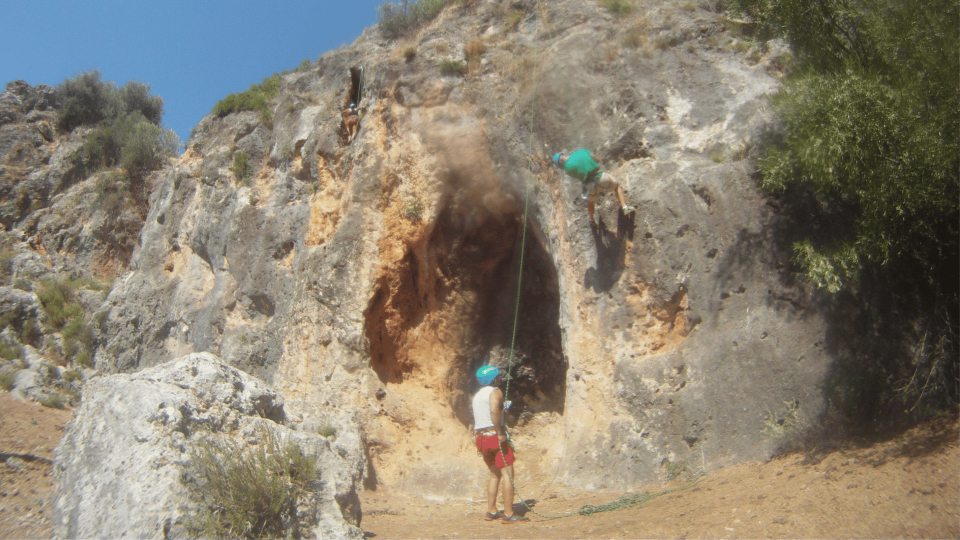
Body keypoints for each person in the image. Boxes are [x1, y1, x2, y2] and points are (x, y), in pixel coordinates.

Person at [472, 365, 529, 523]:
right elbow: (493, 411)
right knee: (507, 475)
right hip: (493, 435)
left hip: (481, 438)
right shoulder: (495, 392)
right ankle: (509, 513)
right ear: (493, 379)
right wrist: (499, 432)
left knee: (494, 474)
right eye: (497, 377)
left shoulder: (477, 396)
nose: (500, 379)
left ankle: (491, 511)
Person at [553, 149, 635, 223]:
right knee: (617, 186)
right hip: (602, 178)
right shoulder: (581, 152)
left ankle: (592, 219)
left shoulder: (567, 169)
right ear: (563, 155)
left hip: (590, 187)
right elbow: (597, 159)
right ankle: (625, 207)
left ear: (561, 164)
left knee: (591, 203)